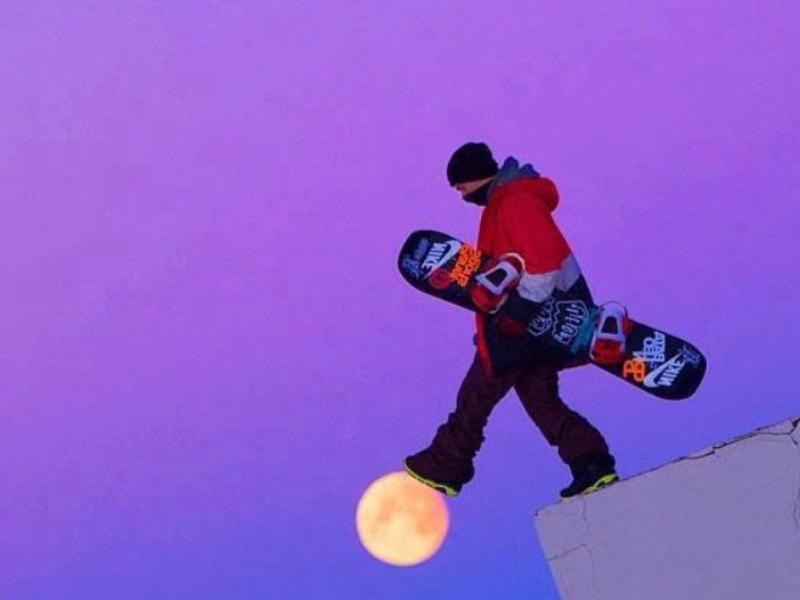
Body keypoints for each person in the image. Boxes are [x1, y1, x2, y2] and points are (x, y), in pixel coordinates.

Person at [404, 142, 619, 499]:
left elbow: (543, 264)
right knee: (542, 402)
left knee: (476, 396)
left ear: (475, 175)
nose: (461, 195)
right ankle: (592, 464)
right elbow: (502, 269)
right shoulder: (502, 202)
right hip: (532, 324)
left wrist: (518, 315)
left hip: (527, 324)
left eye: (461, 186)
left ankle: (445, 466)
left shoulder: (515, 202)